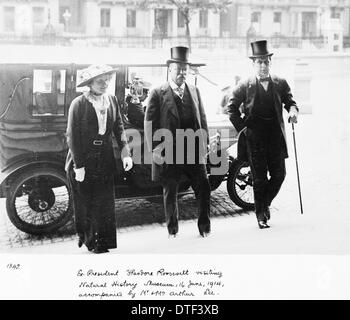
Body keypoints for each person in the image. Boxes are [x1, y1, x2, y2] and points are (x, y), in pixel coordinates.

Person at [227, 40, 299, 229]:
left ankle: (264, 203)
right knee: (258, 179)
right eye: (259, 62)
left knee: (279, 175)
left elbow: (291, 102)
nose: (263, 66)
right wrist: (242, 128)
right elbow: (231, 108)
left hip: (275, 138)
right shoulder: (245, 85)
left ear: (270, 63)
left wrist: (292, 112)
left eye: (266, 62)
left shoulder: (280, 83)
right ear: (253, 64)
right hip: (255, 139)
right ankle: (261, 215)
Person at [65, 64, 133, 253]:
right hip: (83, 158)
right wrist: (79, 166)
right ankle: (88, 240)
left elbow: (118, 127)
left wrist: (125, 153)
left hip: (104, 157)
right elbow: (72, 137)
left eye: (107, 81)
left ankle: (104, 242)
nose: (105, 84)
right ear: (90, 84)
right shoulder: (78, 104)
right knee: (86, 202)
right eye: (100, 81)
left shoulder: (111, 100)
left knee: (104, 202)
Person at [144, 46, 211, 237]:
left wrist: (204, 143)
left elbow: (202, 118)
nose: (182, 73)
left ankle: (204, 227)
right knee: (170, 191)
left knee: (203, 186)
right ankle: (172, 229)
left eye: (185, 69)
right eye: (178, 69)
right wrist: (155, 149)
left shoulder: (194, 90)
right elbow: (149, 123)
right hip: (170, 151)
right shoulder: (158, 92)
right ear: (170, 70)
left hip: (193, 148)